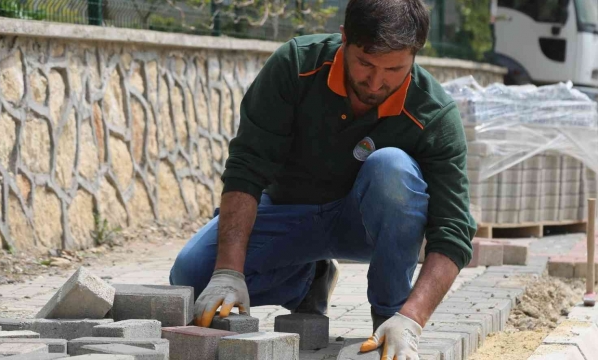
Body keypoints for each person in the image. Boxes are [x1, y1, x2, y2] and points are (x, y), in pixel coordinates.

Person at [170, 0, 476, 357]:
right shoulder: (296, 65)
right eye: (364, 63)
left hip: (363, 227)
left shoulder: (433, 115)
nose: (376, 83)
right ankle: (307, 281)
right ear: (344, 38)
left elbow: (453, 231)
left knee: (392, 166)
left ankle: (389, 317)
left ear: (415, 55)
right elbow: (247, 167)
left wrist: (412, 317)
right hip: (289, 214)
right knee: (190, 276)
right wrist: (228, 272)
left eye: (394, 69)